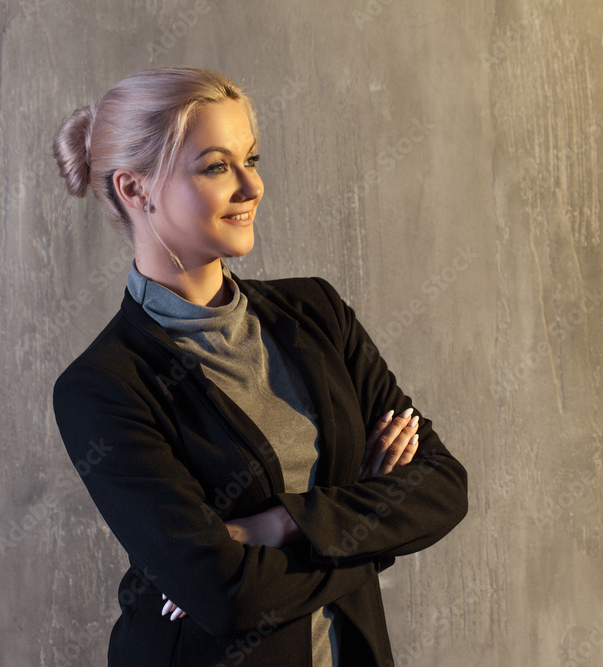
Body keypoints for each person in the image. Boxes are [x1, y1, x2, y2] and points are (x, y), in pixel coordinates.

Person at [51, 66, 467, 667]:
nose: (253, 186)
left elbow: (443, 487)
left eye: (253, 158)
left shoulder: (317, 312)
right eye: (216, 166)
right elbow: (227, 596)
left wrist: (275, 526)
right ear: (134, 190)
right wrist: (370, 510)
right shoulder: (104, 387)